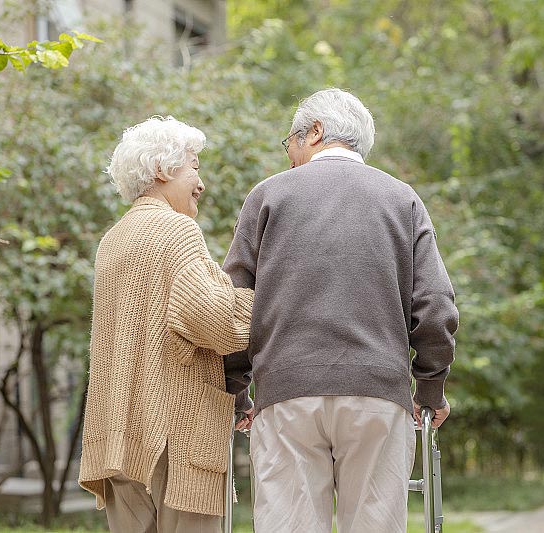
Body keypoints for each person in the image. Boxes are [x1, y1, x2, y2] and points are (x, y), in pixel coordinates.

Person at [222, 88, 459, 533]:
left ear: (314, 133)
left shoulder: (268, 196)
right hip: (378, 397)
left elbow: (233, 306)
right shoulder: (401, 198)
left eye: (289, 142)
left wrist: (237, 392)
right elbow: (436, 306)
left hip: (286, 397)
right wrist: (430, 389)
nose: (289, 156)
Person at [78, 116, 254, 532]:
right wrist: (263, 297)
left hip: (118, 437)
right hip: (174, 440)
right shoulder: (176, 231)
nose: (201, 183)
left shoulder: (114, 240)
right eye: (194, 166)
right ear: (162, 169)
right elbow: (221, 324)